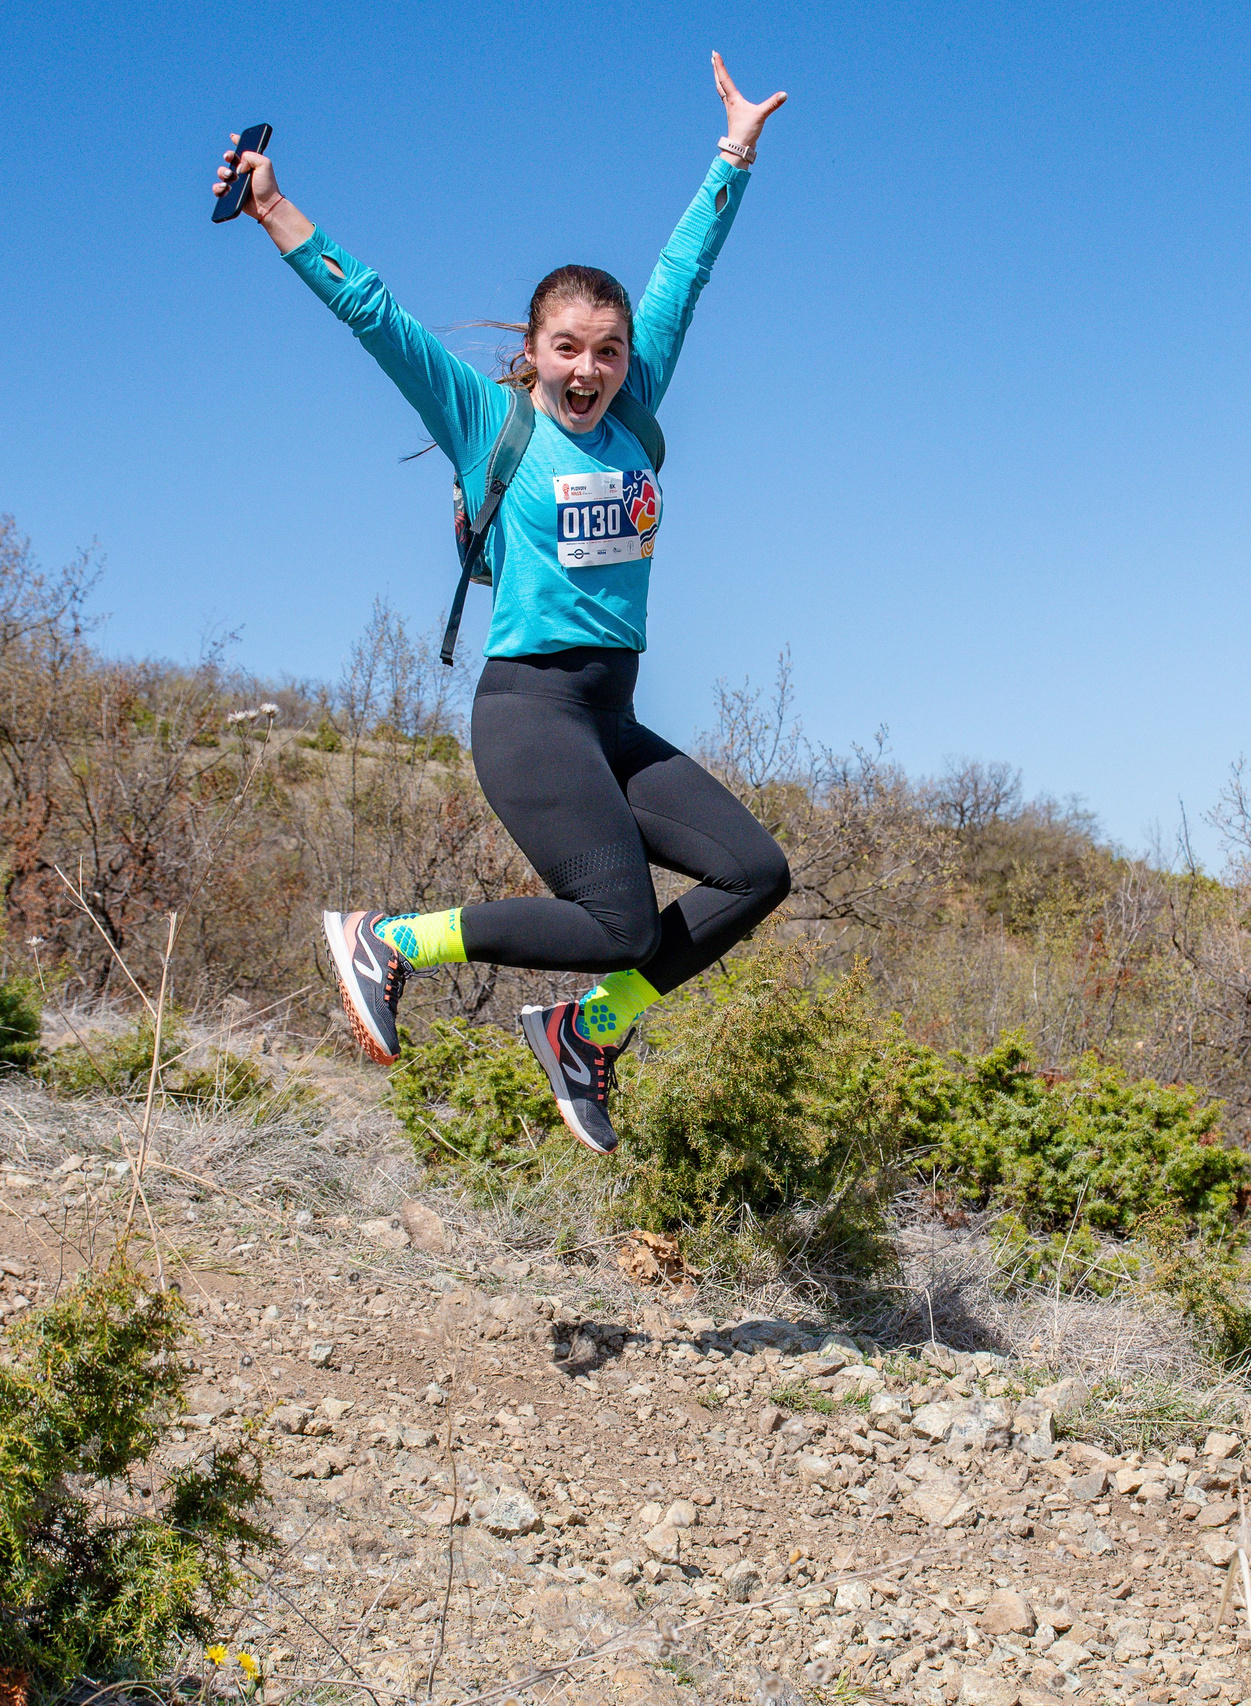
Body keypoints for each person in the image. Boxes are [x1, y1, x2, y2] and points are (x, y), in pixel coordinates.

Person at [214, 53, 793, 1156]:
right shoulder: (492, 422)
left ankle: (587, 1029)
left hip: (610, 712)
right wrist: (275, 206)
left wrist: (733, 154)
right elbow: (373, 315)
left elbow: (682, 274)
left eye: (606, 351)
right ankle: (384, 939)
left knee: (754, 871)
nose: (588, 369)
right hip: (528, 709)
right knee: (620, 920)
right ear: (532, 353)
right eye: (566, 349)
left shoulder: (638, 404)